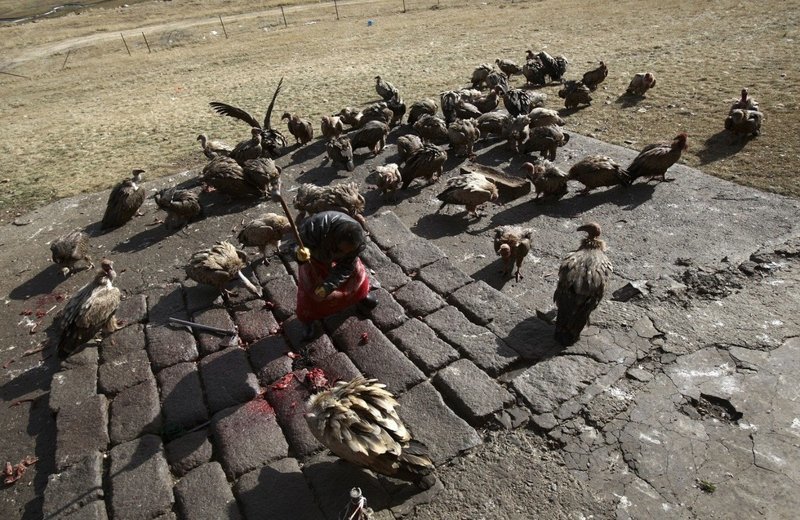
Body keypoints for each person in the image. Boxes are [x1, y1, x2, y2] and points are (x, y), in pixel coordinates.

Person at [295, 211, 378, 340]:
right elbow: (293, 246)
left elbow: (346, 267)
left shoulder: (357, 242)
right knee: (310, 290)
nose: (342, 253)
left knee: (356, 276)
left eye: (347, 251)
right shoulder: (312, 227)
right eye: (341, 249)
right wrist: (299, 254)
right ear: (335, 238)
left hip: (345, 259)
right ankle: (308, 319)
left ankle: (360, 295)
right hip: (315, 257)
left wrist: (328, 286)